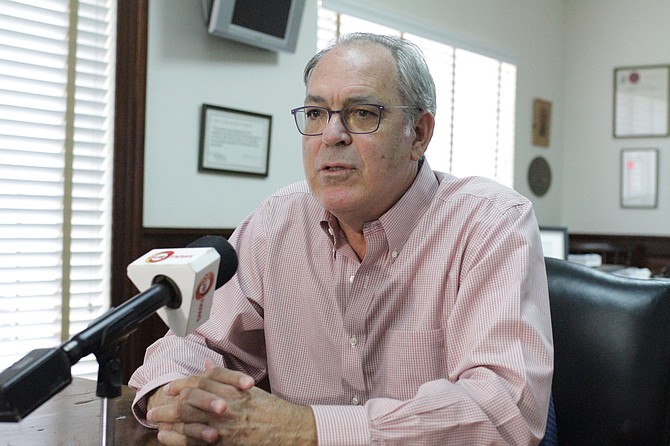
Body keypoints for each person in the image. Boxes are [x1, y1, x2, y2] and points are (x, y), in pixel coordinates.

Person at [129, 32, 553, 445]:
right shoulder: (277, 221)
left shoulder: (490, 222)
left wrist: (306, 430)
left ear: (419, 134)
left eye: (362, 113)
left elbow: (504, 410)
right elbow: (193, 343)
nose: (331, 135)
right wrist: (178, 395)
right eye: (315, 114)